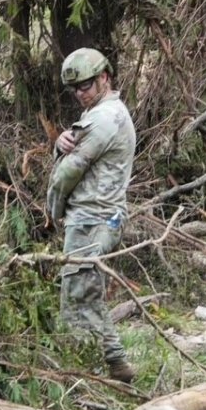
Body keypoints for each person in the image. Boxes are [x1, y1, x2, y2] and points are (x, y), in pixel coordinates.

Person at [47, 47, 137, 383]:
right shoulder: (105, 113)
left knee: (79, 293)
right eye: (74, 89)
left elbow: (67, 173)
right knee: (80, 290)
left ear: (104, 78)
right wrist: (59, 145)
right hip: (95, 215)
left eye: (85, 85)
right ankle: (99, 363)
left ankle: (100, 364)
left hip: (93, 218)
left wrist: (52, 213)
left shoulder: (103, 118)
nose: (80, 94)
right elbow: (70, 155)